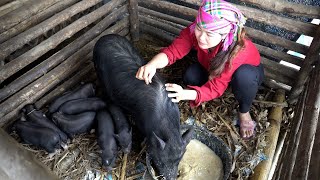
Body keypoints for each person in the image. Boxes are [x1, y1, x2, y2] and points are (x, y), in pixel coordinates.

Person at [136, 0, 264, 139]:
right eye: (199, 28)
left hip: (245, 75)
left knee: (244, 77)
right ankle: (206, 86)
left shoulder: (238, 51)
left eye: (209, 34)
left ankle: (244, 113)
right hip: (211, 67)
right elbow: (173, 51)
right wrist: (152, 65)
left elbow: (216, 88)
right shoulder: (195, 30)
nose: (201, 37)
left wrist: (184, 94)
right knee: (190, 76)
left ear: (224, 36)